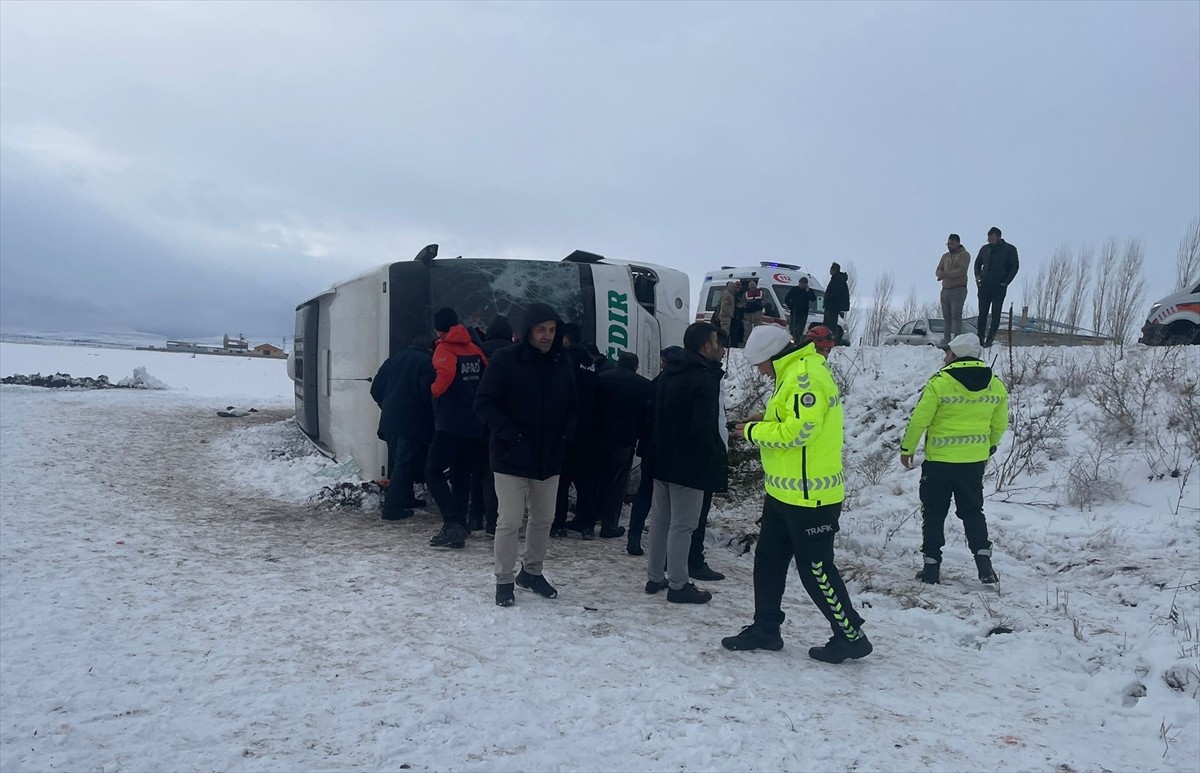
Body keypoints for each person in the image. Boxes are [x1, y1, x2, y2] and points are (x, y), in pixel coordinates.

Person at [721, 324, 872, 664]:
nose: (760, 372)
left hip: (810, 498)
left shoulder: (805, 377)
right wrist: (766, 417)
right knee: (769, 562)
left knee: (816, 569)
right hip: (783, 491)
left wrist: (754, 431)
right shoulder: (791, 374)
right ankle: (766, 629)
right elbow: (791, 417)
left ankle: (851, 635)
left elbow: (801, 430)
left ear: (774, 356)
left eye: (761, 364)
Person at [474, 304, 577, 607]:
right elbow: (484, 403)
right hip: (510, 456)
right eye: (541, 329)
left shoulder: (562, 362)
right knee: (509, 521)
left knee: (544, 519)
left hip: (549, 457)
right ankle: (504, 579)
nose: (547, 336)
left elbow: (574, 403)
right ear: (528, 330)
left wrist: (567, 433)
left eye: (552, 329)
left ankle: (531, 572)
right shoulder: (506, 360)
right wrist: (512, 436)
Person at [899, 333, 1008, 585]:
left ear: (955, 355)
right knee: (973, 512)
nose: (945, 356)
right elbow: (1000, 423)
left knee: (934, 514)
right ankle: (984, 565)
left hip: (939, 463)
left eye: (947, 352)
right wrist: (988, 447)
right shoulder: (996, 384)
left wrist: (908, 449)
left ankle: (931, 569)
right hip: (972, 464)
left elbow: (920, 419)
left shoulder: (941, 382)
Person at [645, 322, 727, 605]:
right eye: (718, 343)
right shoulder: (704, 378)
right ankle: (678, 584)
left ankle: (655, 576)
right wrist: (712, 457)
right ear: (707, 347)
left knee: (659, 521)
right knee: (683, 526)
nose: (721, 348)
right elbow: (703, 427)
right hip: (689, 464)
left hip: (661, 458)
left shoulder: (669, 372)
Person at [426, 307, 488, 550]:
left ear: (438, 327)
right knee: (462, 475)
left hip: (450, 422)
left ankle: (452, 522)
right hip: (474, 424)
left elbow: (443, 379)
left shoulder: (444, 348)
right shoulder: (475, 348)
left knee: (432, 470)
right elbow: (485, 377)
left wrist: (432, 391)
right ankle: (460, 527)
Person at [370, 335, 435, 520]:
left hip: (390, 421)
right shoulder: (427, 363)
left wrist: (388, 406)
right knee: (404, 464)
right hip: (412, 422)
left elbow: (375, 388)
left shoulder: (394, 359)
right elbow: (427, 394)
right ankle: (392, 508)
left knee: (401, 462)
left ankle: (406, 498)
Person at [626, 346, 683, 557]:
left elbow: (645, 418)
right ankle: (668, 549)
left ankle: (634, 536)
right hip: (672, 451)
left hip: (651, 448)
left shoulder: (656, 385)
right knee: (669, 500)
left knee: (645, 494)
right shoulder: (684, 385)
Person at [588, 351, 651, 539]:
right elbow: (646, 416)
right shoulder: (644, 385)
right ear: (636, 367)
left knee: (594, 481)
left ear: (618, 363)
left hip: (597, 438)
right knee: (616, 484)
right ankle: (609, 525)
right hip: (624, 441)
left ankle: (587, 523)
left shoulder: (601, 378)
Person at [554, 324, 600, 539]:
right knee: (586, 482)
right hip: (589, 431)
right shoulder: (590, 363)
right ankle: (587, 524)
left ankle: (558, 524)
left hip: (566, 432)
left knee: (561, 481)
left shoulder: (565, 360)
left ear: (565, 339)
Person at [474, 315, 516, 537]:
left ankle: (475, 517)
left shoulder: (477, 351)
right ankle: (495, 522)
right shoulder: (516, 355)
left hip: (477, 422)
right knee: (499, 477)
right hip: (505, 424)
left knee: (478, 471)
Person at [974, 227, 1020, 347]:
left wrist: (1005, 282)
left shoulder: (1009, 249)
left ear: (999, 237)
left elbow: (1014, 267)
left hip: (999, 287)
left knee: (996, 313)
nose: (990, 240)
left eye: (992, 238)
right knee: (982, 313)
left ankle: (990, 338)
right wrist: (978, 276)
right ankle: (980, 338)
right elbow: (977, 263)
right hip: (984, 285)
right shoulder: (985, 249)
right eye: (989, 238)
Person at [936, 234, 971, 347]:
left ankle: (957, 338)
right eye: (948, 244)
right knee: (946, 316)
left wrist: (946, 274)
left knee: (956, 315)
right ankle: (946, 338)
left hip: (958, 289)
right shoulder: (945, 256)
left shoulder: (964, 255)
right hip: (945, 289)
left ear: (957, 243)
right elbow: (938, 269)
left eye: (951, 244)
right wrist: (940, 273)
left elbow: (962, 270)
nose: (949, 246)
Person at [823, 263, 850, 344]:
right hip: (832, 306)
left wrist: (829, 300)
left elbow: (835, 293)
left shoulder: (837, 280)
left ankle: (831, 340)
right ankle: (828, 340)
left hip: (833, 306)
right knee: (828, 324)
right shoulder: (837, 279)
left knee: (831, 325)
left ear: (833, 270)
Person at [784, 278, 818, 342]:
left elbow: (813, 299)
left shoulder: (808, 291)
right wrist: (791, 306)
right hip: (794, 312)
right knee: (792, 329)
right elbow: (786, 299)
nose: (802, 285)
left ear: (806, 284)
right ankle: (791, 341)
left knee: (800, 330)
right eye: (801, 283)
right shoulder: (794, 289)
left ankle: (798, 342)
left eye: (803, 284)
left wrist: (808, 291)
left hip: (803, 313)